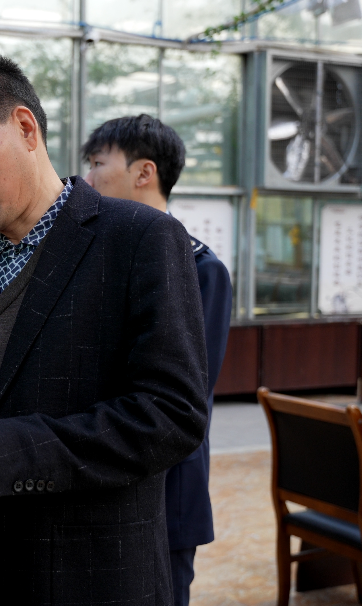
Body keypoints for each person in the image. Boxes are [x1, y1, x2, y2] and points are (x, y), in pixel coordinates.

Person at [0, 56, 210, 605]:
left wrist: (12, 456)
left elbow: (172, 414)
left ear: (26, 128)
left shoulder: (139, 239)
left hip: (84, 576)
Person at [82, 114, 234, 606]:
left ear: (144, 172)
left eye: (98, 163)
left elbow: (180, 398)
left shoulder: (199, 268)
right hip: (94, 481)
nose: (87, 178)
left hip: (164, 493)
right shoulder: (97, 259)